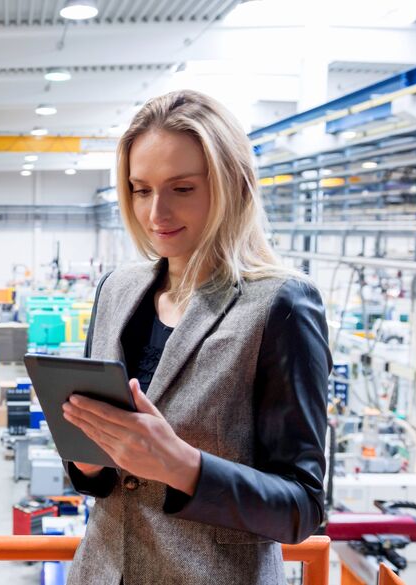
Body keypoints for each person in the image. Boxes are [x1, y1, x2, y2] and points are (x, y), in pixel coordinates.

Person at [60, 90, 331, 585]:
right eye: (141, 189)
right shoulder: (116, 290)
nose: (156, 213)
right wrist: (88, 461)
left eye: (181, 188)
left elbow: (301, 508)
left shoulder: (280, 305)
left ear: (234, 185)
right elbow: (105, 481)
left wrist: (183, 466)